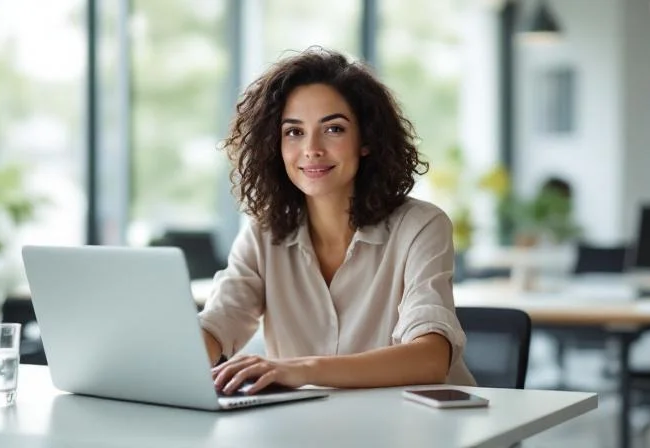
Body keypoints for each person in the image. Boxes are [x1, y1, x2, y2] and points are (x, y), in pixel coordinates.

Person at [199, 47, 476, 396]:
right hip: (313, 427)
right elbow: (220, 321)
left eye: (333, 129)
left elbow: (431, 359)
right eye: (294, 132)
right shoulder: (262, 234)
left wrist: (301, 369)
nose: (311, 148)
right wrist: (179, 357)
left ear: (366, 140)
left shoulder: (420, 226)